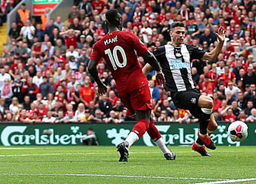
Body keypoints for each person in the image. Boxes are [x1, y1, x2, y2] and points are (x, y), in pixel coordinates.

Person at [87, 9, 175, 162]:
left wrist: (100, 83)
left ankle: (167, 152)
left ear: (106, 22)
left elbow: (90, 67)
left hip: (122, 89)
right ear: (119, 21)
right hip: (137, 83)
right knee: (145, 120)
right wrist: (159, 71)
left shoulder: (99, 45)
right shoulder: (127, 36)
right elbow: (148, 56)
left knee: (146, 119)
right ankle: (126, 144)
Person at [142, 22, 226, 157]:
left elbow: (211, 56)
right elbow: (145, 69)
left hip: (191, 91)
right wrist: (141, 87)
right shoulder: (162, 51)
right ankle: (203, 135)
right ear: (170, 33)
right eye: (178, 32)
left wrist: (221, 42)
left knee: (213, 126)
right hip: (178, 94)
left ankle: (198, 145)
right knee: (208, 102)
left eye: (183, 33)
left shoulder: (189, 49)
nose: (181, 35)